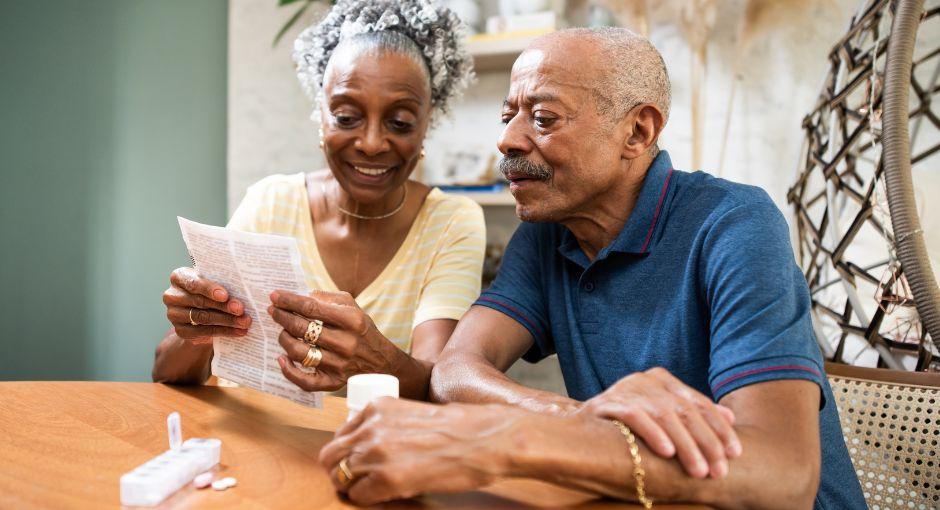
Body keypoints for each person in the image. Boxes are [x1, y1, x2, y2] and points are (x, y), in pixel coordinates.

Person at [319, 28, 866, 508]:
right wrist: (581, 419)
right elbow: (455, 370)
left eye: (542, 118)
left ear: (638, 132)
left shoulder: (735, 224)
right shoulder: (547, 231)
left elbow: (782, 477)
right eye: (509, 116)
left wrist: (504, 438)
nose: (507, 139)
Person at [152, 0, 483, 400]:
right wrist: (196, 324)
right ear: (321, 117)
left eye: (400, 122)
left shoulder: (451, 222)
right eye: (346, 117)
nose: (372, 143)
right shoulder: (271, 202)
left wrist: (373, 358)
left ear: (427, 122)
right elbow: (166, 373)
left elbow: (436, 388)